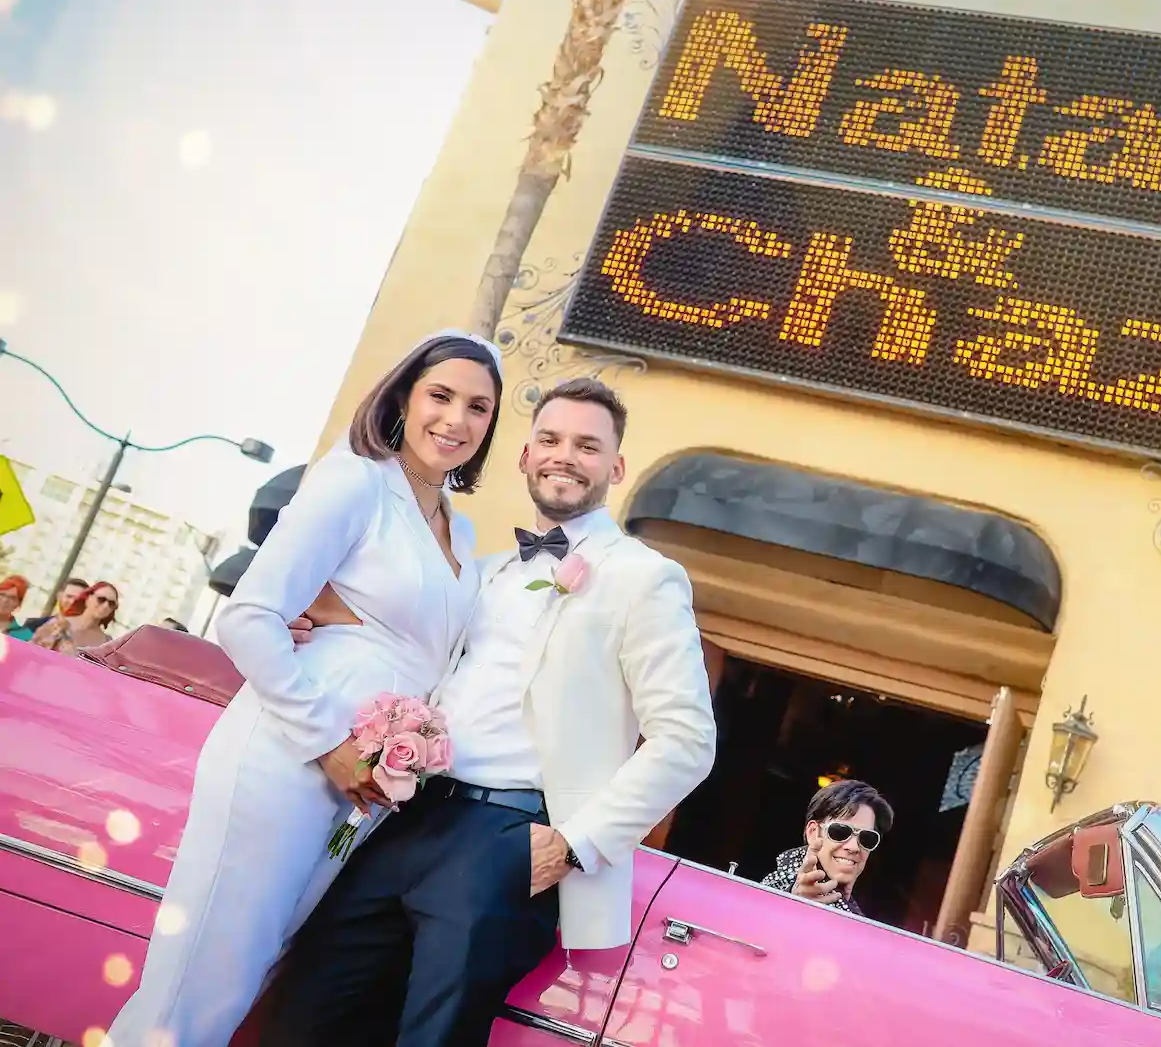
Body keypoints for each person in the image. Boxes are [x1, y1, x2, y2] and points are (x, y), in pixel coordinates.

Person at [261, 377, 716, 1047]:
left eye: (588, 446)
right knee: (302, 1017)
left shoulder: (644, 577)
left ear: (615, 469)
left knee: (433, 1037)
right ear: (525, 457)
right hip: (404, 818)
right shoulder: (483, 568)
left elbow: (686, 739)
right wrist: (311, 624)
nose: (566, 456)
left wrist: (573, 844)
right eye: (552, 441)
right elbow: (406, 651)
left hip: (507, 838)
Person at [105, 329, 504, 1047]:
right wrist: (329, 743)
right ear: (403, 398)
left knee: (250, 971)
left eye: (478, 406)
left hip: (362, 790)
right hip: (290, 753)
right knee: (202, 974)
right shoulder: (356, 478)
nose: (457, 419)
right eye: (440, 395)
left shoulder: (462, 531)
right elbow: (251, 616)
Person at [760, 780, 893, 917]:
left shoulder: (852, 910)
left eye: (867, 838)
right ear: (813, 832)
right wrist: (793, 905)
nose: (854, 847)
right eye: (840, 832)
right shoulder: (775, 888)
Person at [31, 580, 119, 655]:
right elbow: (33, 652)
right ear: (88, 598)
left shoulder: (107, 643)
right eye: (101, 599)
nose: (105, 606)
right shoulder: (59, 624)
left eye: (111, 604)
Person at [20, 576, 87, 635]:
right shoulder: (33, 625)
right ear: (59, 596)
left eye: (78, 599)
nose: (72, 602)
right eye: (69, 596)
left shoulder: (85, 639)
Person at [1, 575, 30, 639]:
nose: (5, 600)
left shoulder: (23, 636)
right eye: (2, 594)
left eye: (12, 598)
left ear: (18, 604)